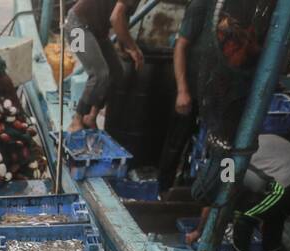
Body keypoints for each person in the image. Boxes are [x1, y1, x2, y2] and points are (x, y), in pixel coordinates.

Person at [185, 133, 290, 251]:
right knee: (273, 216)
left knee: (244, 219)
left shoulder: (231, 161)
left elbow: (218, 200)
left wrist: (199, 231)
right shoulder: (256, 137)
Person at [157, 0, 214, 189]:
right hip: (190, 89)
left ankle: (195, 188)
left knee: (208, 147)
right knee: (176, 142)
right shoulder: (201, 5)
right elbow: (180, 45)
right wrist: (182, 90)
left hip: (215, 95)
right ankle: (163, 190)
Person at [66, 0, 144, 131]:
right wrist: (133, 47)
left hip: (97, 32)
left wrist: (123, 45)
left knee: (117, 73)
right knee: (99, 74)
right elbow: (116, 18)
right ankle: (77, 119)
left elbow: (123, 18)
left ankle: (91, 117)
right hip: (75, 28)